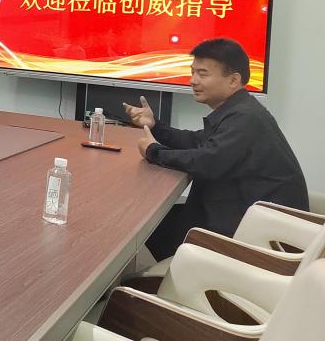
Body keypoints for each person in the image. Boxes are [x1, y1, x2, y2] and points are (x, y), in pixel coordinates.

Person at [124, 38, 308, 261]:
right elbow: (198, 141)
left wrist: (153, 151)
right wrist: (156, 126)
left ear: (233, 80)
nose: (193, 80)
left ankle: (177, 275)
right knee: (152, 222)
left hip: (258, 235)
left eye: (202, 74)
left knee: (145, 224)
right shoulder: (240, 109)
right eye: (192, 72)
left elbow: (206, 161)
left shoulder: (245, 118)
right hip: (246, 215)